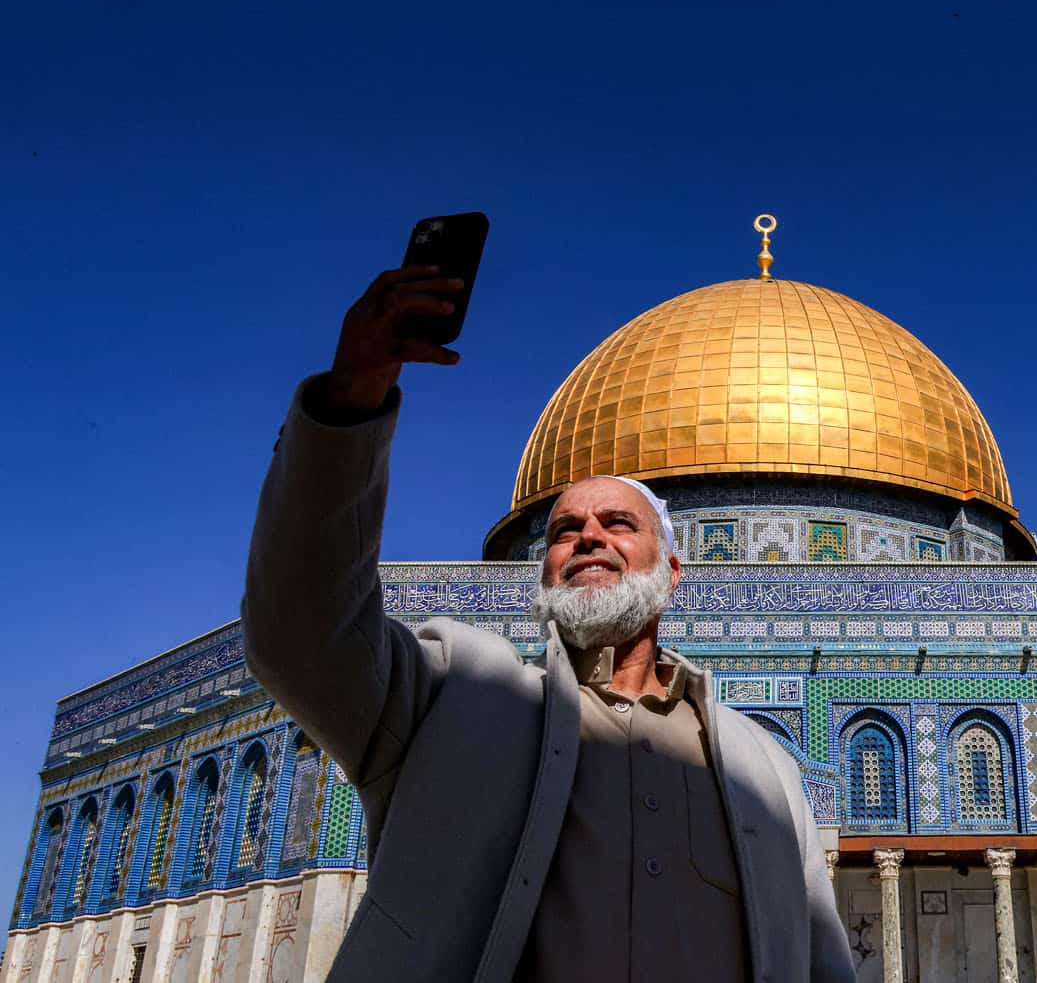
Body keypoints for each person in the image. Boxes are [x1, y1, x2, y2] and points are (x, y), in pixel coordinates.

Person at [240, 266, 854, 982]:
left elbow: (821, 960)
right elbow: (302, 632)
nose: (589, 537)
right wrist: (349, 403)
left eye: (617, 523)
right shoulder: (457, 699)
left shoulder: (766, 771)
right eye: (564, 529)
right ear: (539, 568)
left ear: (674, 570)